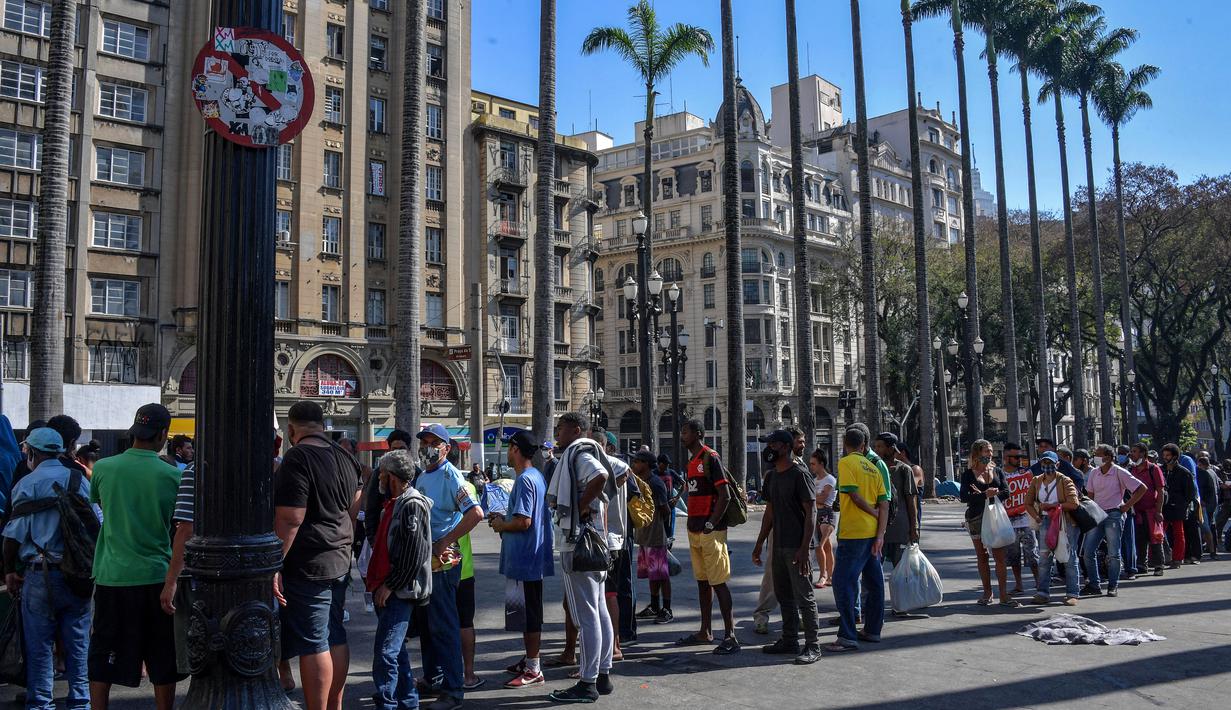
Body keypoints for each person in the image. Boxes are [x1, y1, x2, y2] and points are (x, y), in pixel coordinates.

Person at [88, 404, 184, 710]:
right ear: (163, 435)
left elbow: (101, 504)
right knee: (161, 655)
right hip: (156, 576)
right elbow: (178, 526)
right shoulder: (172, 476)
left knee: (103, 649)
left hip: (111, 574)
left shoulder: (103, 468)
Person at [273, 401, 363, 710]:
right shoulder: (346, 456)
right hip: (339, 558)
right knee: (335, 634)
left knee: (314, 641)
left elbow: (290, 518)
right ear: (322, 425)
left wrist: (275, 564)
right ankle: (333, 705)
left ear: (291, 429)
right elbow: (354, 505)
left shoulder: (298, 457)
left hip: (310, 562)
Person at [3, 428, 95, 710]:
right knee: (78, 643)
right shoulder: (79, 479)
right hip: (78, 574)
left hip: (39, 573)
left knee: (40, 645)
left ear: (32, 452)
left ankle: (42, 703)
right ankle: (80, 700)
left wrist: (9, 571)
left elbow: (13, 536)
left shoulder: (27, 484)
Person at [412, 423, 483, 710]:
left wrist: (444, 541)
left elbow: (476, 513)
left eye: (433, 442)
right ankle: (434, 677)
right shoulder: (424, 476)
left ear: (446, 447)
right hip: (425, 560)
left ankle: (453, 690)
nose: (427, 446)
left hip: (443, 561)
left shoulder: (452, 476)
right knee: (428, 625)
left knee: (443, 625)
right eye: (424, 441)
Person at [546, 412, 614, 704]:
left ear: (575, 429)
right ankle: (603, 675)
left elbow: (600, 476)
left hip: (580, 542)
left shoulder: (579, 452)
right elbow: (616, 472)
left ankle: (587, 683)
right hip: (595, 541)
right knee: (598, 610)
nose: (557, 434)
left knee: (585, 615)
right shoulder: (588, 450)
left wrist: (579, 506)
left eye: (560, 429)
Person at [366, 449, 433, 710]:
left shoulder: (411, 504)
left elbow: (414, 554)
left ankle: (388, 703)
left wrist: (390, 585)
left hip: (398, 591)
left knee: (386, 653)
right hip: (389, 587)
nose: (378, 478)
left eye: (381, 473)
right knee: (396, 651)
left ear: (391, 476)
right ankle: (408, 702)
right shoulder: (395, 502)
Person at [491, 430, 554, 689]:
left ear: (515, 449)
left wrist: (500, 524)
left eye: (509, 447)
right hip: (527, 559)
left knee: (529, 616)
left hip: (526, 560)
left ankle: (533, 668)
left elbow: (523, 521)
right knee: (524, 614)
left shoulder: (526, 480)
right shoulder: (534, 476)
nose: (507, 451)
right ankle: (529, 659)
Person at [752, 430, 820, 665]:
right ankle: (790, 639)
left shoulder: (800, 474)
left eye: (771, 444)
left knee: (804, 596)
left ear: (783, 447)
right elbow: (769, 512)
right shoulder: (771, 477)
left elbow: (812, 512)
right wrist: (760, 542)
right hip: (778, 545)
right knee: (783, 595)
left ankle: (813, 645)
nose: (767, 449)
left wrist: (804, 548)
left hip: (797, 546)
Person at [674, 419, 739, 656]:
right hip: (694, 530)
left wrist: (711, 523)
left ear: (698, 434)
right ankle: (705, 631)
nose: (682, 435)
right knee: (702, 582)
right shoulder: (691, 461)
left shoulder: (710, 457)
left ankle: (731, 635)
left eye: (685, 431)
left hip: (711, 531)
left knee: (718, 583)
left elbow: (725, 494)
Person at [825, 426, 888, 653]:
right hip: (872, 533)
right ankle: (873, 630)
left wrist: (871, 513)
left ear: (845, 444)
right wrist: (880, 533)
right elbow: (885, 503)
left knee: (843, 583)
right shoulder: (874, 467)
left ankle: (847, 636)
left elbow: (851, 494)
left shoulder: (845, 463)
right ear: (864, 445)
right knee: (874, 582)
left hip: (853, 533)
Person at [1080, 444, 1146, 597]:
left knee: (1113, 553)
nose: (1095, 457)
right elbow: (1090, 495)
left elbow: (1141, 488)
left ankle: (1112, 585)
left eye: (1098, 454)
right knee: (1088, 552)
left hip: (1114, 515)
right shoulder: (1094, 473)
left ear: (1108, 457)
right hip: (1097, 515)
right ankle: (1094, 584)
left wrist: (1126, 506)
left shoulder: (1119, 472)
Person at [959, 439, 1018, 607]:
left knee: (1000, 556)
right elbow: (964, 497)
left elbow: (1007, 492)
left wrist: (993, 494)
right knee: (982, 556)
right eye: (986, 451)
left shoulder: (997, 471)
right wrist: (984, 494)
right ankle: (987, 592)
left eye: (991, 451)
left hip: (995, 517)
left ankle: (1004, 594)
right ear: (977, 453)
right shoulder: (968, 474)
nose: (990, 454)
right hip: (976, 517)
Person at [1025, 452, 1081, 606]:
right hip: (1045, 522)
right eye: (1044, 463)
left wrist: (1054, 506)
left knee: (1069, 557)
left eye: (1050, 463)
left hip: (1065, 522)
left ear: (1057, 464)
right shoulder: (1036, 481)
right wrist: (1036, 517)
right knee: (1044, 558)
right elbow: (1028, 502)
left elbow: (1074, 503)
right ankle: (1042, 592)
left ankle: (1072, 593)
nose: (1047, 466)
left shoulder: (1065, 480)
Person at [631, 450, 673, 624]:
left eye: (638, 461)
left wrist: (667, 535)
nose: (634, 464)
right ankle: (654, 606)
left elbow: (666, 510)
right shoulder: (640, 481)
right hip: (644, 535)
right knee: (652, 574)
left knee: (662, 574)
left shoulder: (655, 483)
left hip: (656, 536)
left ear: (647, 464)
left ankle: (667, 609)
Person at [873, 433, 918, 569]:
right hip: (878, 530)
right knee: (874, 571)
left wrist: (914, 528)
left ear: (891, 448)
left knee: (902, 572)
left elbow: (911, 502)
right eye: (875, 446)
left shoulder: (904, 470)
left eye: (880, 446)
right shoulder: (873, 468)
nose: (876, 450)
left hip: (900, 530)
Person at [998, 442, 1037, 594]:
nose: (1019, 459)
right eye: (1015, 457)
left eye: (1020, 456)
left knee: (1032, 555)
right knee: (1014, 557)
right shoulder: (999, 475)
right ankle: (1018, 585)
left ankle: (1039, 583)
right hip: (1007, 523)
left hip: (1027, 521)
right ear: (1006, 457)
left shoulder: (1026, 473)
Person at [1128, 443, 1168, 576]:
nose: (1131, 454)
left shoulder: (1153, 469)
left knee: (1155, 539)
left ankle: (1158, 565)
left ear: (1143, 453)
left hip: (1151, 510)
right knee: (1140, 540)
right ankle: (1141, 565)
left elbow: (1160, 491)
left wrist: (1159, 511)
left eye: (1134, 451)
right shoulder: (1131, 469)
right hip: (1137, 511)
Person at [1160, 444, 1197, 570]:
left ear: (1175, 456)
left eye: (1168, 455)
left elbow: (1190, 493)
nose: (1165, 458)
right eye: (1164, 455)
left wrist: (1182, 504)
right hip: (1162, 507)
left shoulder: (1184, 472)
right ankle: (1159, 558)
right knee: (1158, 534)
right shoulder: (1160, 470)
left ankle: (1177, 559)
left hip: (1177, 508)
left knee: (1178, 534)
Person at [810, 449, 836, 590]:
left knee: (820, 545)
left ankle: (823, 575)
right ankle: (831, 576)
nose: (811, 466)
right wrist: (816, 496)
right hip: (817, 513)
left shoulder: (830, 479)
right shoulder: (815, 481)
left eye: (813, 464)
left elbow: (822, 498)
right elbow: (816, 498)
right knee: (827, 546)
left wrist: (814, 496)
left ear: (821, 463)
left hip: (827, 512)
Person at [1114, 444, 1139, 579]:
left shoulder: (1133, 468)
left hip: (1128, 507)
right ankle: (1120, 567)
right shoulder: (1115, 468)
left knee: (1129, 540)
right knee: (1118, 541)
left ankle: (1132, 569)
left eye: (1123, 452)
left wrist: (1129, 505)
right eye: (1119, 452)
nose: (1121, 454)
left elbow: (1139, 488)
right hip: (1115, 507)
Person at [655, 454, 684, 542]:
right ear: (659, 463)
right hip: (656, 507)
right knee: (657, 530)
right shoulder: (653, 473)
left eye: (668, 464)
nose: (667, 466)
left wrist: (676, 498)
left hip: (669, 506)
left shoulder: (671, 473)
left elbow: (683, 484)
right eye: (665, 463)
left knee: (669, 530)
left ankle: (668, 546)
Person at [1196, 453, 1219, 560]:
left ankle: (1211, 551)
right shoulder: (1213, 472)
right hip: (1213, 503)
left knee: (1205, 528)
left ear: (1200, 464)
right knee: (1210, 527)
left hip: (1205, 504)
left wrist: (1203, 500)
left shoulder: (1203, 473)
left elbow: (1203, 488)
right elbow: (1218, 487)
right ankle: (1212, 550)